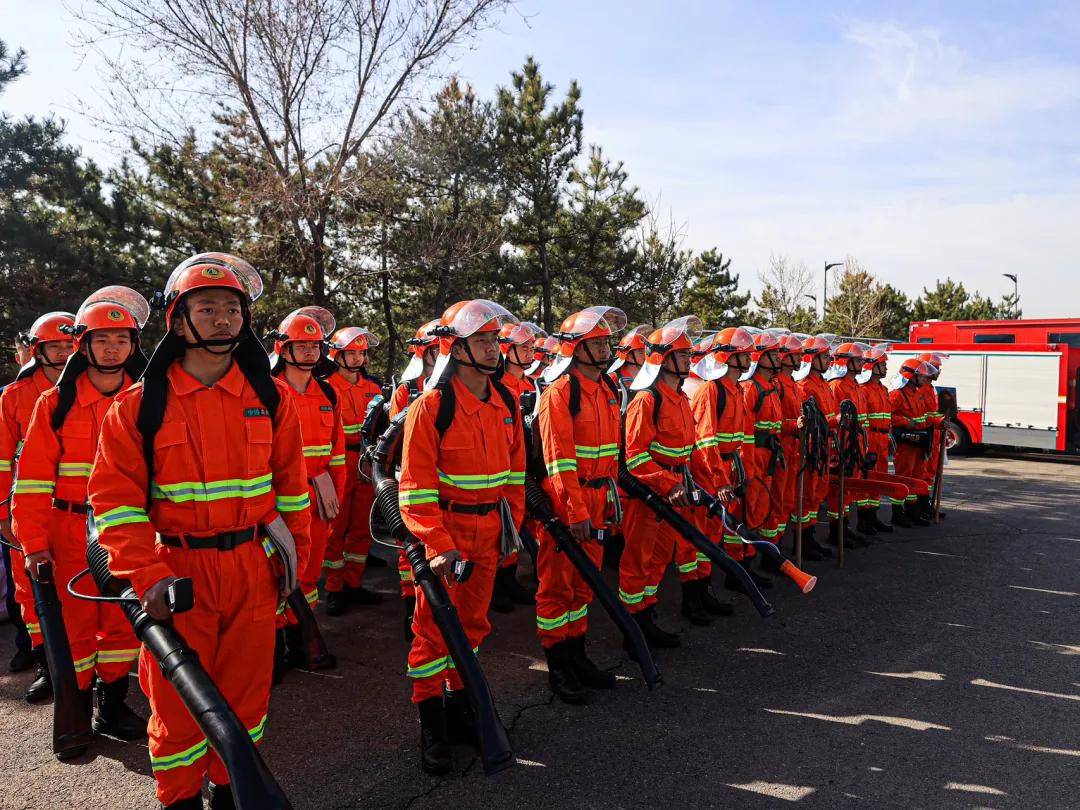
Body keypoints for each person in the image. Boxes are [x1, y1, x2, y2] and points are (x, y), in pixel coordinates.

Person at [88, 253, 312, 809]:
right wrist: (147, 575)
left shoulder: (272, 398)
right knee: (177, 708)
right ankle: (180, 800)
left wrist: (294, 562)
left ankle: (229, 789)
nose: (221, 319)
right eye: (206, 307)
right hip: (178, 575)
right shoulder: (138, 407)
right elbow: (114, 504)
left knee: (247, 699)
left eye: (231, 309)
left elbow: (293, 492)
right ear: (178, 321)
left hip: (253, 569)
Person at [15, 287, 149, 747]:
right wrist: (33, 543)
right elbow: (31, 481)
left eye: (122, 339)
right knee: (76, 628)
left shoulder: (149, 400)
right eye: (103, 339)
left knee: (120, 624)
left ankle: (111, 706)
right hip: (69, 532)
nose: (113, 348)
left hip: (128, 532)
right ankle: (77, 706)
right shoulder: (53, 404)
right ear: (83, 345)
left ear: (134, 345)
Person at [397, 299, 524, 775]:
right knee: (431, 634)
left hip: (490, 531)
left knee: (472, 627)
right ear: (456, 348)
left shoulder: (506, 401)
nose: (493, 350)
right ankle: (431, 721)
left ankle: (458, 706)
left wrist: (509, 525)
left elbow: (515, 473)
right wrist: (437, 545)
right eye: (482, 341)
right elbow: (414, 486)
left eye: (495, 340)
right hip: (447, 536)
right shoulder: (432, 406)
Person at [533, 307, 624, 703]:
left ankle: (578, 656)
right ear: (576, 349)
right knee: (556, 589)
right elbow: (558, 461)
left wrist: (610, 498)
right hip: (566, 504)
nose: (605, 348)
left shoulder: (607, 390)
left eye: (606, 341)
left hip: (599, 497)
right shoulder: (560, 393)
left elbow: (611, 455)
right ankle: (558, 668)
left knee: (585, 585)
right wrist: (576, 512)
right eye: (597, 342)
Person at [1, 312, 75, 698]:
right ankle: (48, 666)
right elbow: (0, 460)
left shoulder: (98, 386)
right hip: (28, 510)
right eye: (55, 346)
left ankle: (97, 676)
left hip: (80, 510)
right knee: (31, 594)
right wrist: (3, 515)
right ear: (37, 350)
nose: (64, 353)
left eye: (69, 344)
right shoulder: (15, 397)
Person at [269, 307, 345, 668]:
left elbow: (338, 455)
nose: (311, 352)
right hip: (278, 501)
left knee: (310, 572)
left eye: (316, 345)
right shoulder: (267, 392)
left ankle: (301, 639)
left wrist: (335, 501)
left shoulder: (327, 393)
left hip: (317, 499)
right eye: (303, 345)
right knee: (277, 572)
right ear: (284, 349)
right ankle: (275, 643)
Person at [620, 316, 702, 648]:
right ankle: (632, 628)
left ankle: (646, 615)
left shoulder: (680, 398)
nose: (689, 360)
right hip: (648, 496)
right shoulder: (646, 400)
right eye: (682, 355)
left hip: (673, 492)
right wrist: (668, 483)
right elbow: (635, 457)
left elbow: (686, 449)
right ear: (663, 358)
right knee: (637, 561)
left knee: (658, 559)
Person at [688, 327, 754, 608]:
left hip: (726, 467)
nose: (750, 358)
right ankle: (694, 596)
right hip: (708, 470)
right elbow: (706, 440)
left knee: (715, 532)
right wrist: (720, 480)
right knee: (702, 534)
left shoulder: (735, 389)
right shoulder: (710, 391)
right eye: (744, 355)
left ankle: (705, 591)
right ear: (729, 358)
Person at [323, 326, 384, 615]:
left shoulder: (373, 388)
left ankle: (353, 583)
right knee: (335, 529)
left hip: (367, 462)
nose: (359, 358)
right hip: (339, 463)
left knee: (361, 528)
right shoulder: (325, 386)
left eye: (362, 353)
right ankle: (334, 588)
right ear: (337, 355)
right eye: (352, 353)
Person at [389, 320, 440, 636]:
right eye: (434, 349)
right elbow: (393, 439)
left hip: (440, 479)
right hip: (408, 478)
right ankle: (411, 608)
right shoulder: (406, 391)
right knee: (409, 552)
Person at [490, 321, 545, 612]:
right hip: (499, 469)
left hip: (525, 467)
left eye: (531, 347)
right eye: (524, 347)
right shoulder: (494, 387)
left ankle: (509, 578)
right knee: (500, 526)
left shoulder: (529, 384)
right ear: (506, 350)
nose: (530, 352)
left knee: (517, 522)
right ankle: (496, 585)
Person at [739, 331, 784, 586]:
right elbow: (746, 432)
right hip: (754, 456)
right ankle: (743, 567)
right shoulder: (751, 388)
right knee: (751, 511)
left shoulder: (770, 386)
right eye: (773, 353)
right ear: (761, 357)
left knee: (763, 510)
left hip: (769, 455)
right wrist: (747, 467)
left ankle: (761, 558)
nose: (778, 357)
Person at [795, 336, 839, 554]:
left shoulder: (822, 384)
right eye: (824, 357)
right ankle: (801, 540)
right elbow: (813, 420)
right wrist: (836, 421)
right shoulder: (804, 386)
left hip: (823, 445)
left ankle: (810, 537)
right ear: (812, 359)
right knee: (808, 493)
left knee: (818, 492)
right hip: (811, 447)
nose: (829, 361)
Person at [889, 358, 938, 527]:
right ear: (911, 376)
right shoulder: (897, 394)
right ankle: (897, 512)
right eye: (921, 376)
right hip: (905, 444)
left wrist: (940, 420)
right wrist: (905, 422)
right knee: (903, 477)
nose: (924, 379)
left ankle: (912, 511)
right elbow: (887, 416)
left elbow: (924, 416)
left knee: (916, 477)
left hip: (919, 442)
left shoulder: (916, 394)